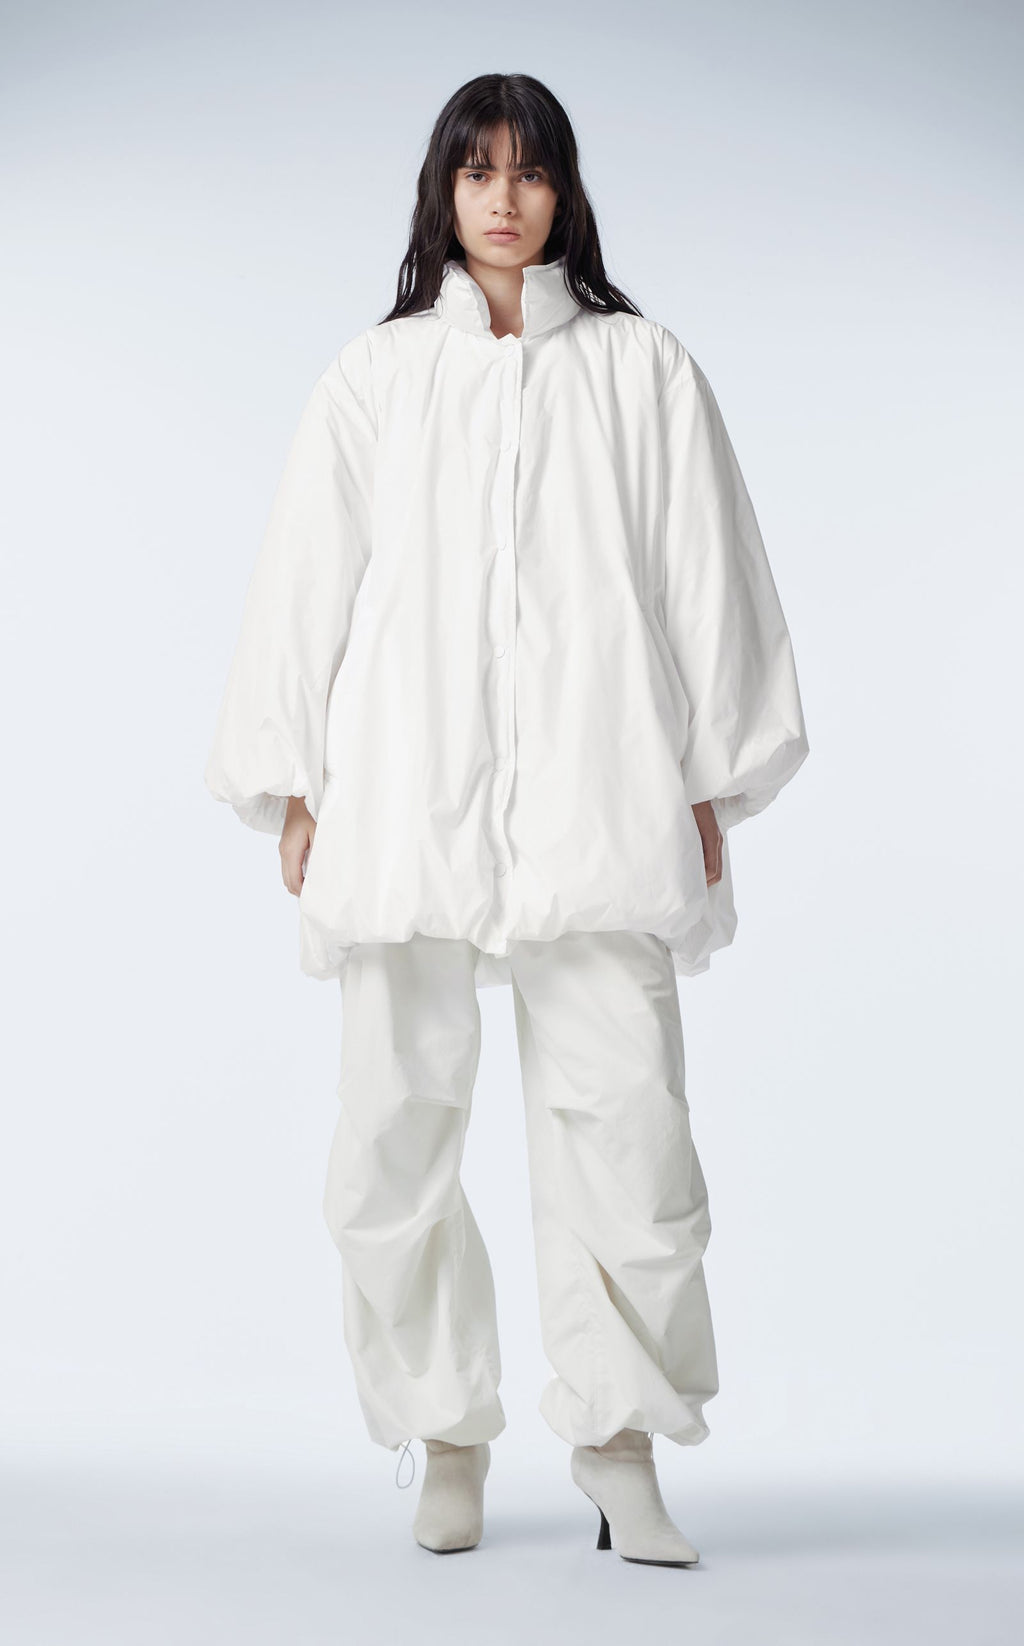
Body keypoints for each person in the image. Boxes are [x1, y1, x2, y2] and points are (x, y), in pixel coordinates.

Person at [204, 72, 809, 1567]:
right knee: (391, 1131)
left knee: (631, 1131)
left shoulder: (642, 369)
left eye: (530, 172)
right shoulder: (375, 376)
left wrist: (709, 776)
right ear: (442, 190)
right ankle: (447, 1435)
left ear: (565, 193)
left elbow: (708, 573)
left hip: (603, 786)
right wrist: (295, 782)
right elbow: (304, 580)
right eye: (476, 171)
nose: (503, 198)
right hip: (405, 786)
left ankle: (619, 1443)